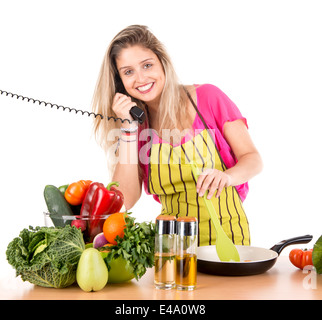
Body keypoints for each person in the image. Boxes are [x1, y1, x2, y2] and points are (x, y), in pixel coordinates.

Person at [92, 25, 263, 246]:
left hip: (229, 240)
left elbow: (253, 158)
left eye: (147, 65)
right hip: (172, 248)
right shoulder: (137, 128)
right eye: (128, 72)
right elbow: (125, 199)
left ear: (162, 62)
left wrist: (228, 177)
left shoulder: (208, 98)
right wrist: (127, 128)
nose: (141, 78)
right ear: (120, 83)